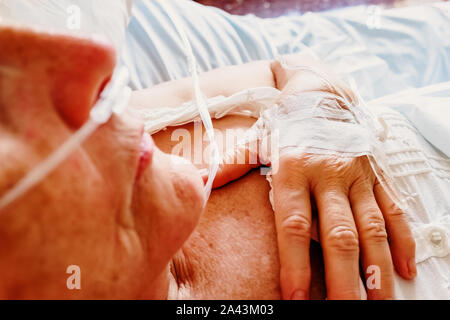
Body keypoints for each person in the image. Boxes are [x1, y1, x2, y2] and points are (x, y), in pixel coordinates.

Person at [0, 25, 421, 299]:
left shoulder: (141, 126)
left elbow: (288, 66)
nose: (101, 62)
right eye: (4, 122)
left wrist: (318, 108)